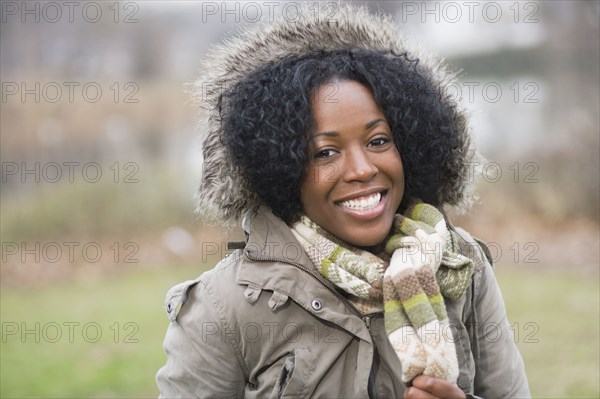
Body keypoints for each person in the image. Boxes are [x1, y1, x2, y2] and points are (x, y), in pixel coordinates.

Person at [156, 4, 530, 398]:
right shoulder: (225, 305)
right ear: (283, 167)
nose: (362, 169)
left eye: (378, 141)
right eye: (325, 153)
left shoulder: (461, 268)